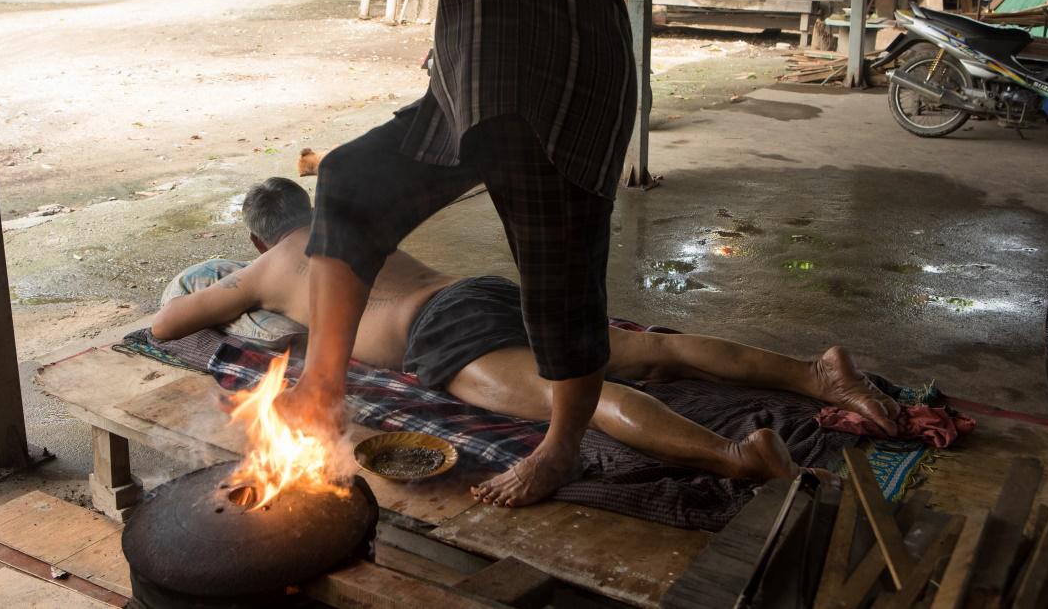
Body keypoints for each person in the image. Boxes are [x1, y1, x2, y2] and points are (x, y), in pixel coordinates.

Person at [279, 0, 639, 508]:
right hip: (479, 73)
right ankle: (322, 386)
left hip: (556, 83)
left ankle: (562, 447)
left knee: (559, 277)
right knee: (350, 180)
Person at [154, 179, 899, 503]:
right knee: (650, 350)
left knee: (575, 400)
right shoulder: (354, 224)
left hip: (438, 333)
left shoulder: (260, 267)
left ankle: (738, 455)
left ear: (258, 235)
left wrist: (234, 279)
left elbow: (164, 327)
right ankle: (817, 375)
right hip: (478, 291)